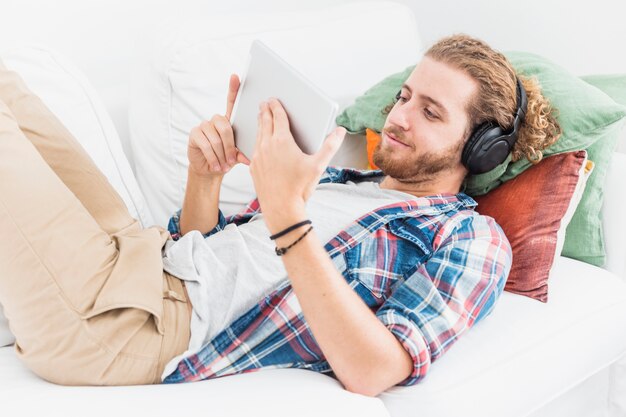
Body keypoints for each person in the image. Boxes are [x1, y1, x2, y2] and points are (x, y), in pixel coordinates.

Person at [0, 34, 560, 396]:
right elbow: (207, 255)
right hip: (139, 259)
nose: (399, 117)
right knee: (9, 88)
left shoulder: (470, 239)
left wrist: (290, 215)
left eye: (430, 111)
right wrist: (206, 176)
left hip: (130, 327)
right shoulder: (345, 180)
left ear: (478, 149)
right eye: (405, 96)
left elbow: (374, 369)